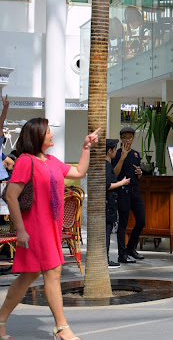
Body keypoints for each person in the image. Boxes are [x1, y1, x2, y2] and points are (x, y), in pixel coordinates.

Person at [0, 118, 99, 340]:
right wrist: (21, 229)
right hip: (35, 228)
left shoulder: (52, 161)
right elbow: (11, 196)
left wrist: (86, 146)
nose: (52, 135)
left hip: (50, 227)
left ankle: (0, 321)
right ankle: (62, 328)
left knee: (28, 277)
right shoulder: (26, 161)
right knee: (52, 273)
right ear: (36, 136)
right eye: (48, 132)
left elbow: (80, 172)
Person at [112, 127, 145, 264]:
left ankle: (130, 248)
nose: (127, 140)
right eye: (124, 137)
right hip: (122, 192)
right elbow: (114, 174)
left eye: (130, 138)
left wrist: (140, 173)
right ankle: (122, 254)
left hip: (135, 191)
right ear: (121, 139)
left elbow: (138, 174)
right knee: (123, 224)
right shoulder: (116, 153)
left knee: (141, 221)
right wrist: (122, 158)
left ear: (133, 138)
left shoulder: (136, 154)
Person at [105, 139, 130, 269]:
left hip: (109, 203)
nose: (115, 151)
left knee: (108, 230)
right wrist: (122, 183)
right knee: (107, 230)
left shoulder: (106, 165)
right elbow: (108, 185)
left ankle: (106, 258)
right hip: (108, 203)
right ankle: (106, 259)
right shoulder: (106, 165)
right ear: (110, 151)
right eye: (114, 149)